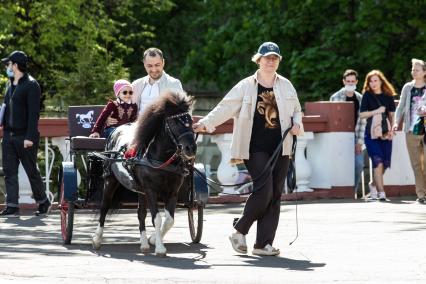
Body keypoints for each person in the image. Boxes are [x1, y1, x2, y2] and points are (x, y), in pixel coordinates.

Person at [193, 42, 303, 256]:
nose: (270, 61)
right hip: (254, 147)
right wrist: (205, 123)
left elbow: (297, 110)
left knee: (275, 195)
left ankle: (263, 244)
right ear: (258, 60)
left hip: (282, 147)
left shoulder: (286, 85)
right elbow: (224, 107)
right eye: (266, 58)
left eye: (274, 58)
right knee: (264, 191)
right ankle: (240, 230)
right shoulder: (245, 85)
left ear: (278, 61)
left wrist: (298, 123)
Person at [0, 50, 51, 216]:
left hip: (25, 137)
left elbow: (33, 114)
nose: (7, 67)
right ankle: (12, 205)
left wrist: (29, 137)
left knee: (31, 171)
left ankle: (43, 202)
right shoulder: (10, 84)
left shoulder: (31, 85)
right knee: (9, 172)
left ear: (15, 65)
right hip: (8, 136)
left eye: (8, 64)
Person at [106, 47, 183, 129]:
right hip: (136, 128)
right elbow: (123, 104)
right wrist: (110, 117)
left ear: (163, 62)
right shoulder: (136, 84)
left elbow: (183, 110)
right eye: (149, 66)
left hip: (163, 131)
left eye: (157, 65)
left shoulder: (173, 84)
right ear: (144, 64)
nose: (153, 69)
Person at [359, 70, 397, 201]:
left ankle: (373, 184)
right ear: (368, 83)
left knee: (385, 163)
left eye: (376, 80)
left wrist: (393, 129)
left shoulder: (388, 95)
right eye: (371, 81)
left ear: (381, 81)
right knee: (378, 162)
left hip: (386, 134)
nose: (373, 83)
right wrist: (376, 111)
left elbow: (392, 114)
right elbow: (362, 114)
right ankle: (382, 194)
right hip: (371, 134)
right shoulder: (367, 96)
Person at [393, 59, 426, 204]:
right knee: (416, 164)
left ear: (424, 72)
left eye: (417, 69)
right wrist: (395, 123)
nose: (414, 71)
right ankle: (421, 195)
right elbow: (400, 107)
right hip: (411, 131)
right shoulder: (407, 87)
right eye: (413, 69)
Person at [330, 69, 366, 197]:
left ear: (357, 82)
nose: (350, 83)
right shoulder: (335, 97)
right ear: (344, 81)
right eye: (348, 81)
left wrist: (359, 143)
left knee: (359, 163)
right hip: (339, 137)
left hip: (356, 136)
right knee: (340, 164)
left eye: (353, 81)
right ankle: (341, 192)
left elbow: (363, 122)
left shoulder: (361, 99)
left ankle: (353, 191)